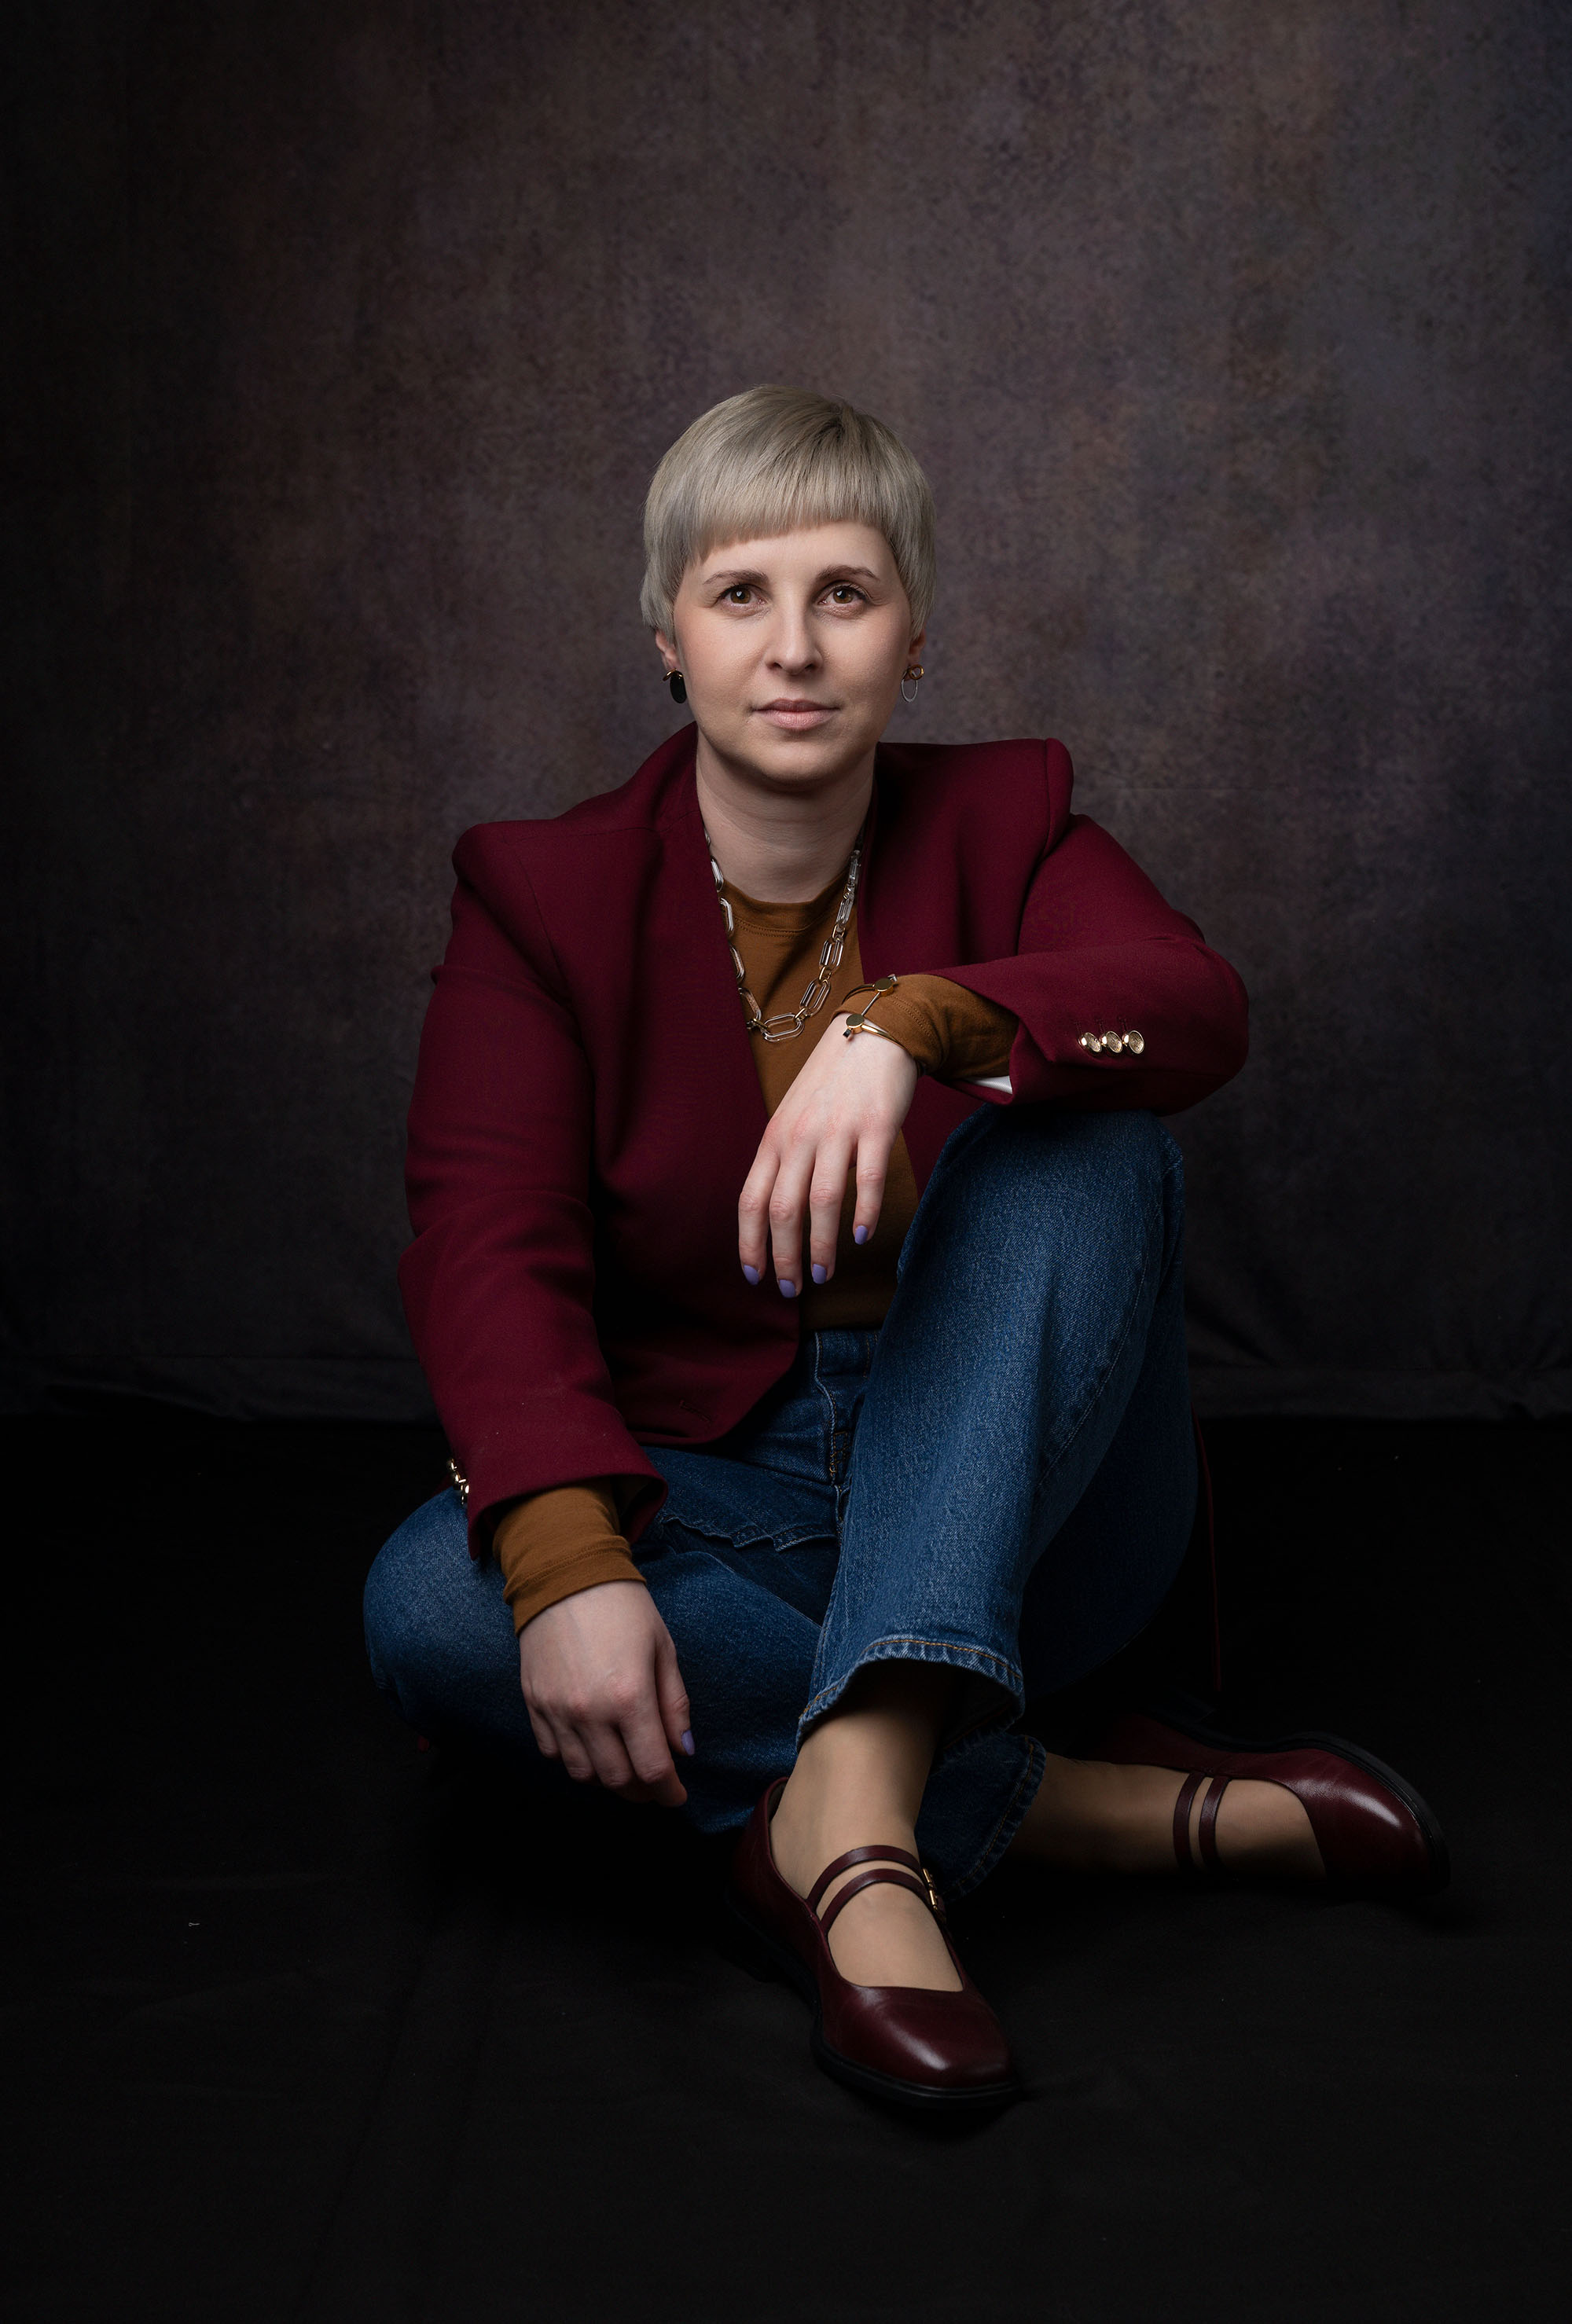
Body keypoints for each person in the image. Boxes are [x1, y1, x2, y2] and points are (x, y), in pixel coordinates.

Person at [364, 387, 1448, 2113]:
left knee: (1084, 1140)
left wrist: (913, 1022)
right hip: (732, 1493)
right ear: (666, 639)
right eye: (739, 594)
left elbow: (1191, 1005)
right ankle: (1071, 1801)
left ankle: (853, 1819)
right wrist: (570, 1566)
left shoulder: (1015, 819)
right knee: (437, 1598)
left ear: (915, 634)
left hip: (1034, 1508)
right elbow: (488, 1242)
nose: (793, 647)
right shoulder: (539, 894)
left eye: (846, 594)